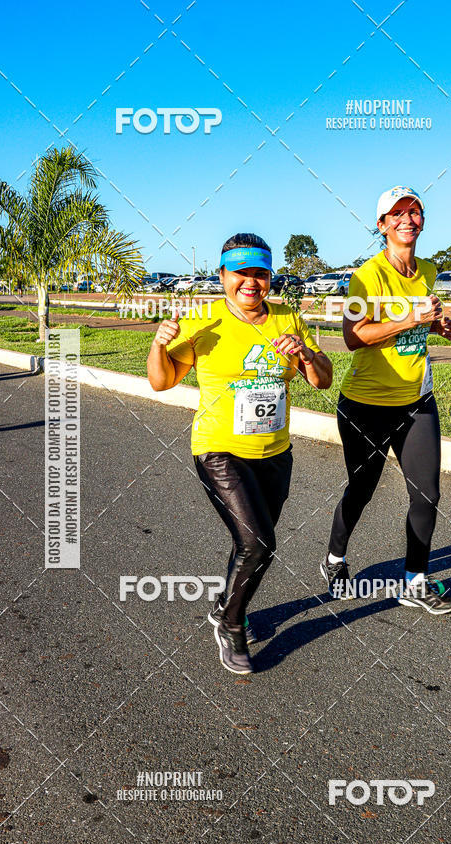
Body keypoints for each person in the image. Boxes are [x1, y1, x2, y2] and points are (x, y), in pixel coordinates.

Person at [147, 233, 332, 673]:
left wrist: (304, 352)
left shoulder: (288, 317)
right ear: (223, 275)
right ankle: (231, 624)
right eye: (241, 273)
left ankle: (225, 604)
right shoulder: (202, 320)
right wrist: (159, 343)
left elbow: (322, 380)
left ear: (270, 277)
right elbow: (161, 381)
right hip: (219, 448)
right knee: (259, 542)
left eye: (260, 274)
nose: (251, 282)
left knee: (250, 541)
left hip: (275, 451)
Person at [320, 186, 451, 614]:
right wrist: (409, 318)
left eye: (414, 212)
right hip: (366, 404)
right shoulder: (367, 276)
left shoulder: (429, 270)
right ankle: (334, 559)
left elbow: (420, 324)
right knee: (362, 489)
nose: (407, 220)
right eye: (396, 214)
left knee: (427, 493)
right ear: (381, 226)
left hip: (417, 399)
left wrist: (438, 325)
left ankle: (414, 581)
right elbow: (352, 337)